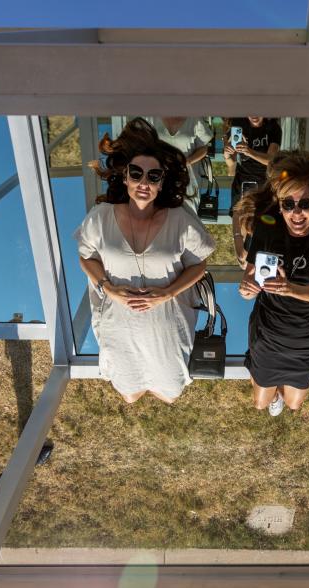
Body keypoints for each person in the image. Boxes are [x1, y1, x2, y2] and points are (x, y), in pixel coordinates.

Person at [75, 118, 216, 403]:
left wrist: (168, 293)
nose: (143, 182)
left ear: (162, 183)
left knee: (169, 393)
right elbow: (86, 257)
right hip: (119, 323)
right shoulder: (101, 217)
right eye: (136, 173)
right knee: (129, 393)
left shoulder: (179, 220)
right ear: (125, 176)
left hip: (167, 325)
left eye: (153, 176)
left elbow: (199, 265)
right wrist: (108, 288)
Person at [237, 150, 309, 416]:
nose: (297, 213)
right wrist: (247, 290)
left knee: (294, 404)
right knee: (261, 403)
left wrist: (289, 289)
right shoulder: (267, 229)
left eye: (305, 203)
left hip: (306, 339)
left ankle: (276, 389)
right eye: (288, 204)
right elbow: (249, 282)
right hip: (270, 334)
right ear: (280, 204)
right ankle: (259, 369)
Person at [224, 117, 282, 265]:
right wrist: (227, 155)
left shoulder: (273, 128)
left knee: (265, 215)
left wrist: (249, 151)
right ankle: (243, 251)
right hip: (244, 177)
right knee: (240, 211)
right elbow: (230, 166)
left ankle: (256, 251)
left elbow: (271, 160)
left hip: (265, 179)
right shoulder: (238, 125)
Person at [146, 117, 213, 216]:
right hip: (160, 177)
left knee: (188, 215)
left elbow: (204, 148)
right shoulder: (152, 118)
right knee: (159, 215)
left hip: (187, 178)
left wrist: (188, 161)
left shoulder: (194, 119)